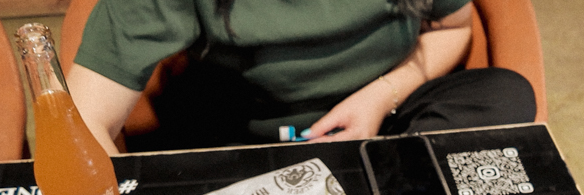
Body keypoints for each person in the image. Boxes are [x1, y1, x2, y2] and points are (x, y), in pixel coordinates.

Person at [67, 0, 537, 153]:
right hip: (239, 144)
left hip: (378, 132)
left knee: (503, 94)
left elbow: (452, 28)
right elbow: (84, 122)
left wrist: (379, 98)